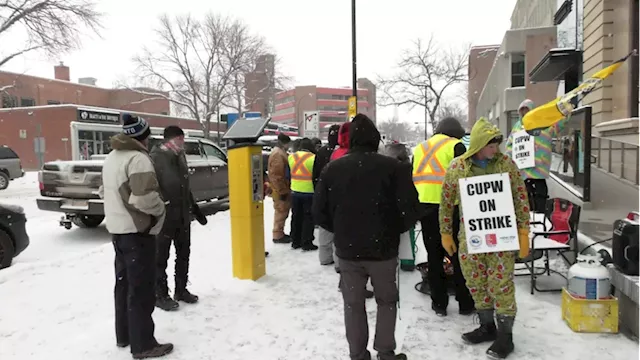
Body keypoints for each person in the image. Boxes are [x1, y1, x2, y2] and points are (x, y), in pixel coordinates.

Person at [313, 114, 420, 360]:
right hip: (383, 250)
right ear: (375, 139)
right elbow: (410, 209)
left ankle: (358, 355)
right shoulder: (395, 168)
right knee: (386, 301)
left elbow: (319, 212)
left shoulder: (332, 169)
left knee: (353, 304)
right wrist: (394, 229)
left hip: (348, 251)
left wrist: (341, 228)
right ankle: (385, 352)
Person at [439, 117, 530, 359]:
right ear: (479, 144)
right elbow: (446, 203)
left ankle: (505, 336)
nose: (495, 150)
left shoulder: (506, 165)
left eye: (497, 145)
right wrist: (445, 232)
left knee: (501, 284)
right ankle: (487, 326)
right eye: (491, 145)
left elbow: (521, 199)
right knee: (476, 282)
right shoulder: (458, 168)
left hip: (502, 235)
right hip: (471, 237)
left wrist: (523, 232)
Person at [100, 113, 173, 358]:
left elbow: (104, 191)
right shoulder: (138, 159)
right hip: (137, 233)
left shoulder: (112, 157)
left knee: (123, 285)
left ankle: (125, 336)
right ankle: (143, 345)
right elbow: (144, 197)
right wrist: (160, 209)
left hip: (118, 233)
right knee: (141, 290)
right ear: (144, 136)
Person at [411, 117, 474, 317]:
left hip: (425, 206)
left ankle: (439, 303)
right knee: (458, 254)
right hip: (450, 207)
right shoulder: (456, 146)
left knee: (434, 256)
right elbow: (465, 177)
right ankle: (464, 302)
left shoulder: (420, 148)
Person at [150, 126, 208, 311]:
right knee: (161, 257)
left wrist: (195, 208)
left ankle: (181, 289)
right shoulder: (157, 158)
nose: (182, 144)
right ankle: (160, 294)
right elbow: (153, 187)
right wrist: (162, 205)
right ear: (169, 141)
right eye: (179, 140)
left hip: (182, 215)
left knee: (183, 254)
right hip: (165, 217)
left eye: (183, 140)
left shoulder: (180, 156)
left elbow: (185, 186)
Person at [505, 99, 568, 214]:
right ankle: (527, 215)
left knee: (540, 193)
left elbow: (557, 125)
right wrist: (509, 159)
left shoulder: (543, 123)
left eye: (527, 110)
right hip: (523, 168)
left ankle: (540, 213)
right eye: (522, 111)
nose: (524, 113)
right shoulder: (517, 127)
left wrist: (565, 112)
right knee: (524, 194)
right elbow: (510, 144)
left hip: (539, 166)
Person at [312, 124, 341, 266]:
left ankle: (324, 257)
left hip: (322, 192)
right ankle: (338, 261)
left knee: (325, 226)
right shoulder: (342, 152)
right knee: (338, 227)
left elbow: (315, 173)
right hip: (337, 194)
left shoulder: (322, 151)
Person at [288, 138, 318, 251]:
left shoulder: (291, 156)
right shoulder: (313, 158)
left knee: (296, 216)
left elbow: (288, 173)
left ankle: (295, 241)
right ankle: (306, 242)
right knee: (308, 218)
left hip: (295, 191)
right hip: (309, 192)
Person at [268, 133, 293, 244]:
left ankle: (279, 232)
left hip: (281, 188)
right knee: (281, 211)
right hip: (280, 189)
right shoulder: (278, 155)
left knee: (282, 211)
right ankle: (277, 234)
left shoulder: (278, 153)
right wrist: (282, 190)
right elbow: (277, 175)